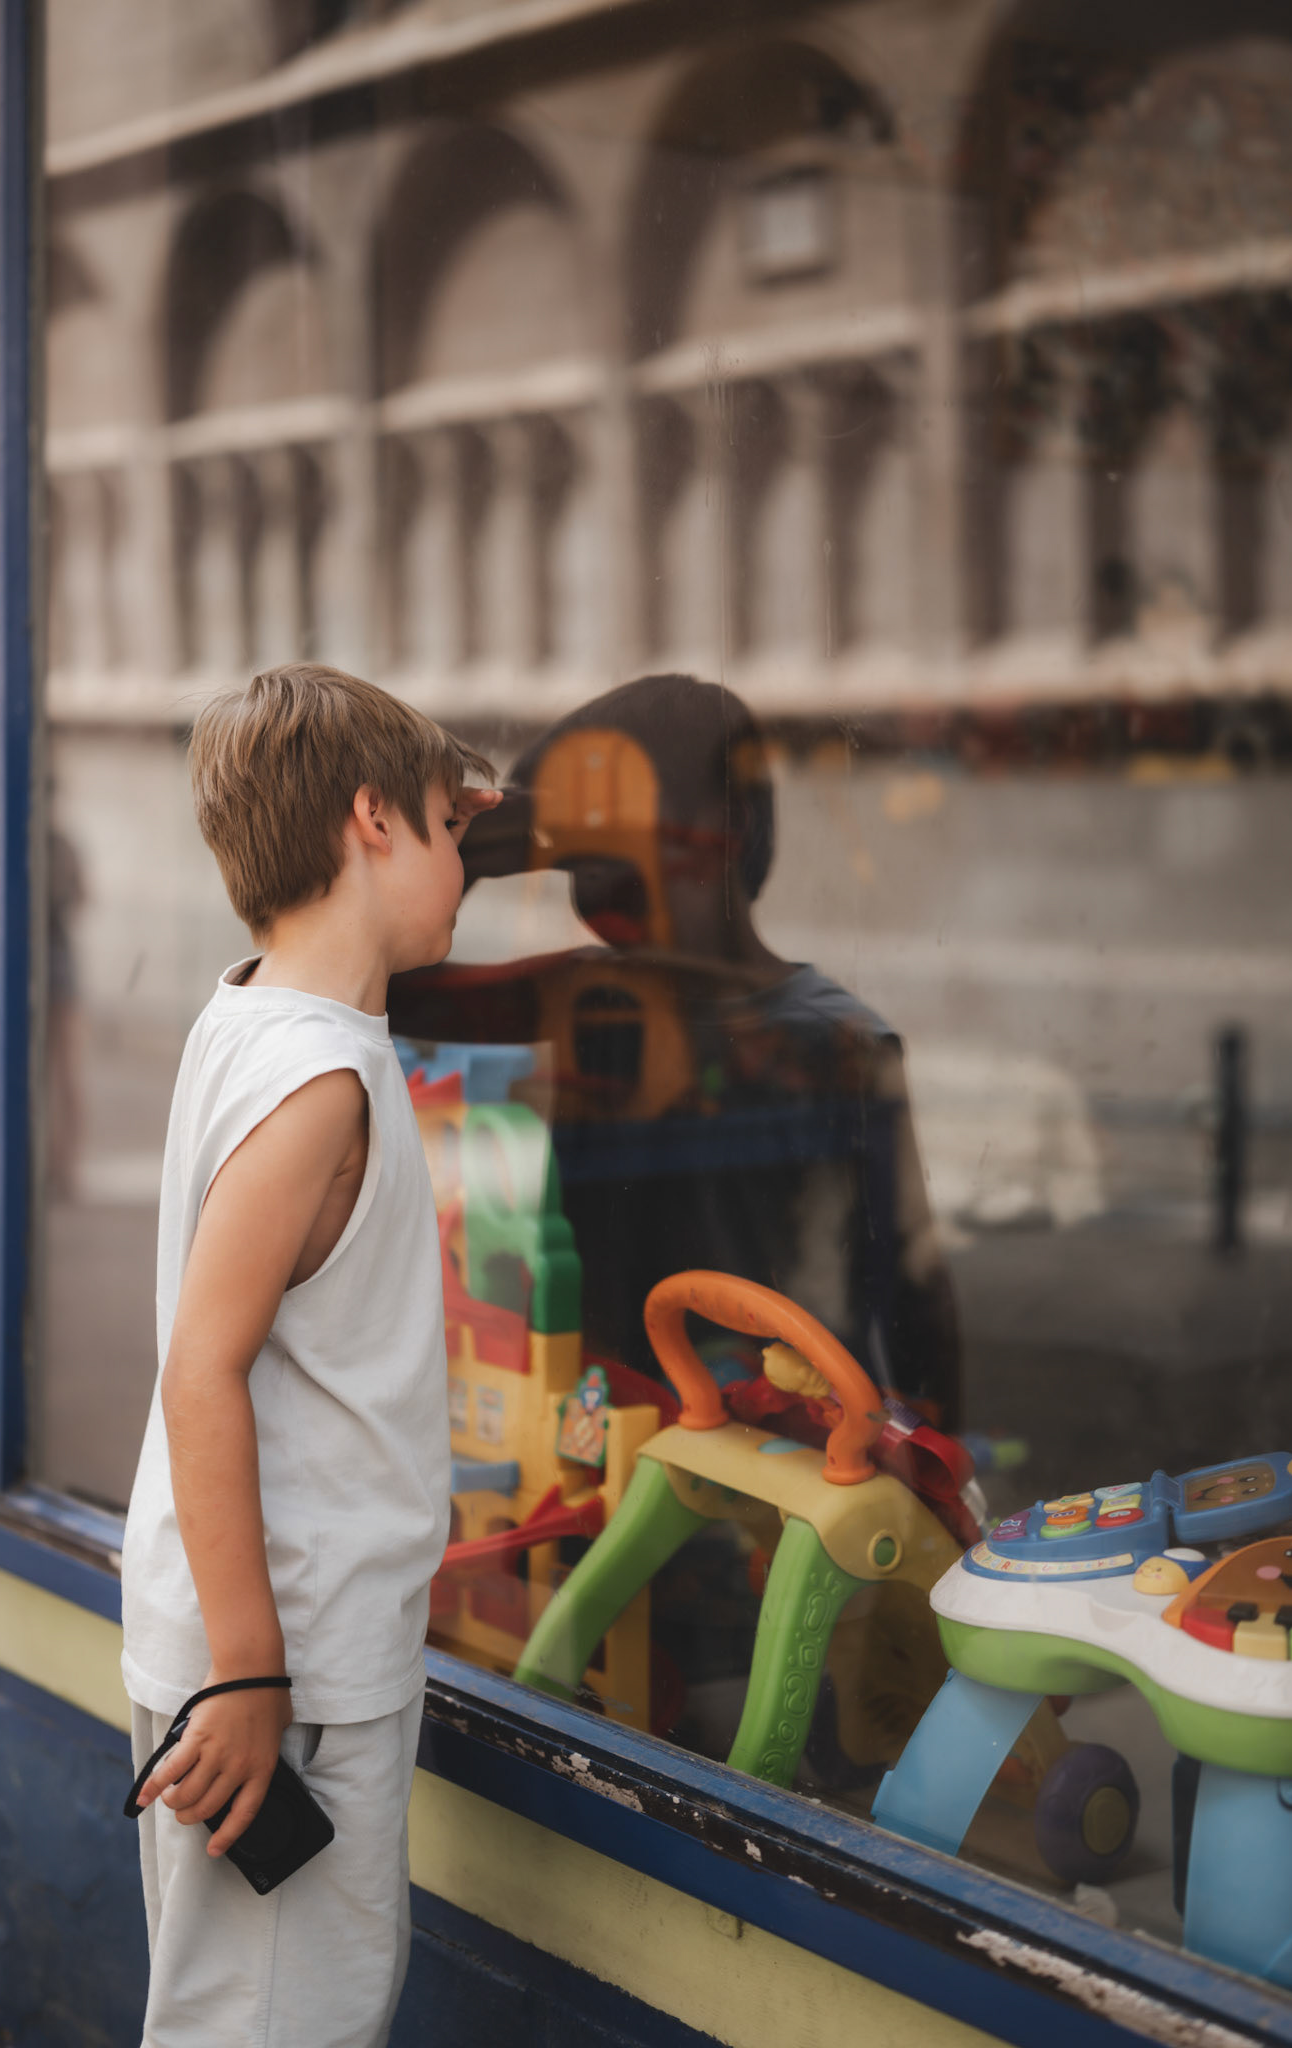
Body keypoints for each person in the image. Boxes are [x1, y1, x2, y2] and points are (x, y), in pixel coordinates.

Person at [120, 663, 498, 2048]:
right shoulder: (320, 1080)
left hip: (250, 1638)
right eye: (451, 830)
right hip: (289, 1670)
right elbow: (201, 1368)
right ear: (373, 821)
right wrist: (249, 1675)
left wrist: (453, 809)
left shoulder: (251, 1017)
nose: (468, 866)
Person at [397, 673, 961, 1430]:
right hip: (610, 1429)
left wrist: (933, 1451)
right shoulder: (587, 1000)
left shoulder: (834, 1042)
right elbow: (390, 990)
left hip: (790, 1434)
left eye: (612, 834)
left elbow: (912, 1290)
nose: (590, 871)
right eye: (575, 850)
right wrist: (491, 839)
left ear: (724, 830)